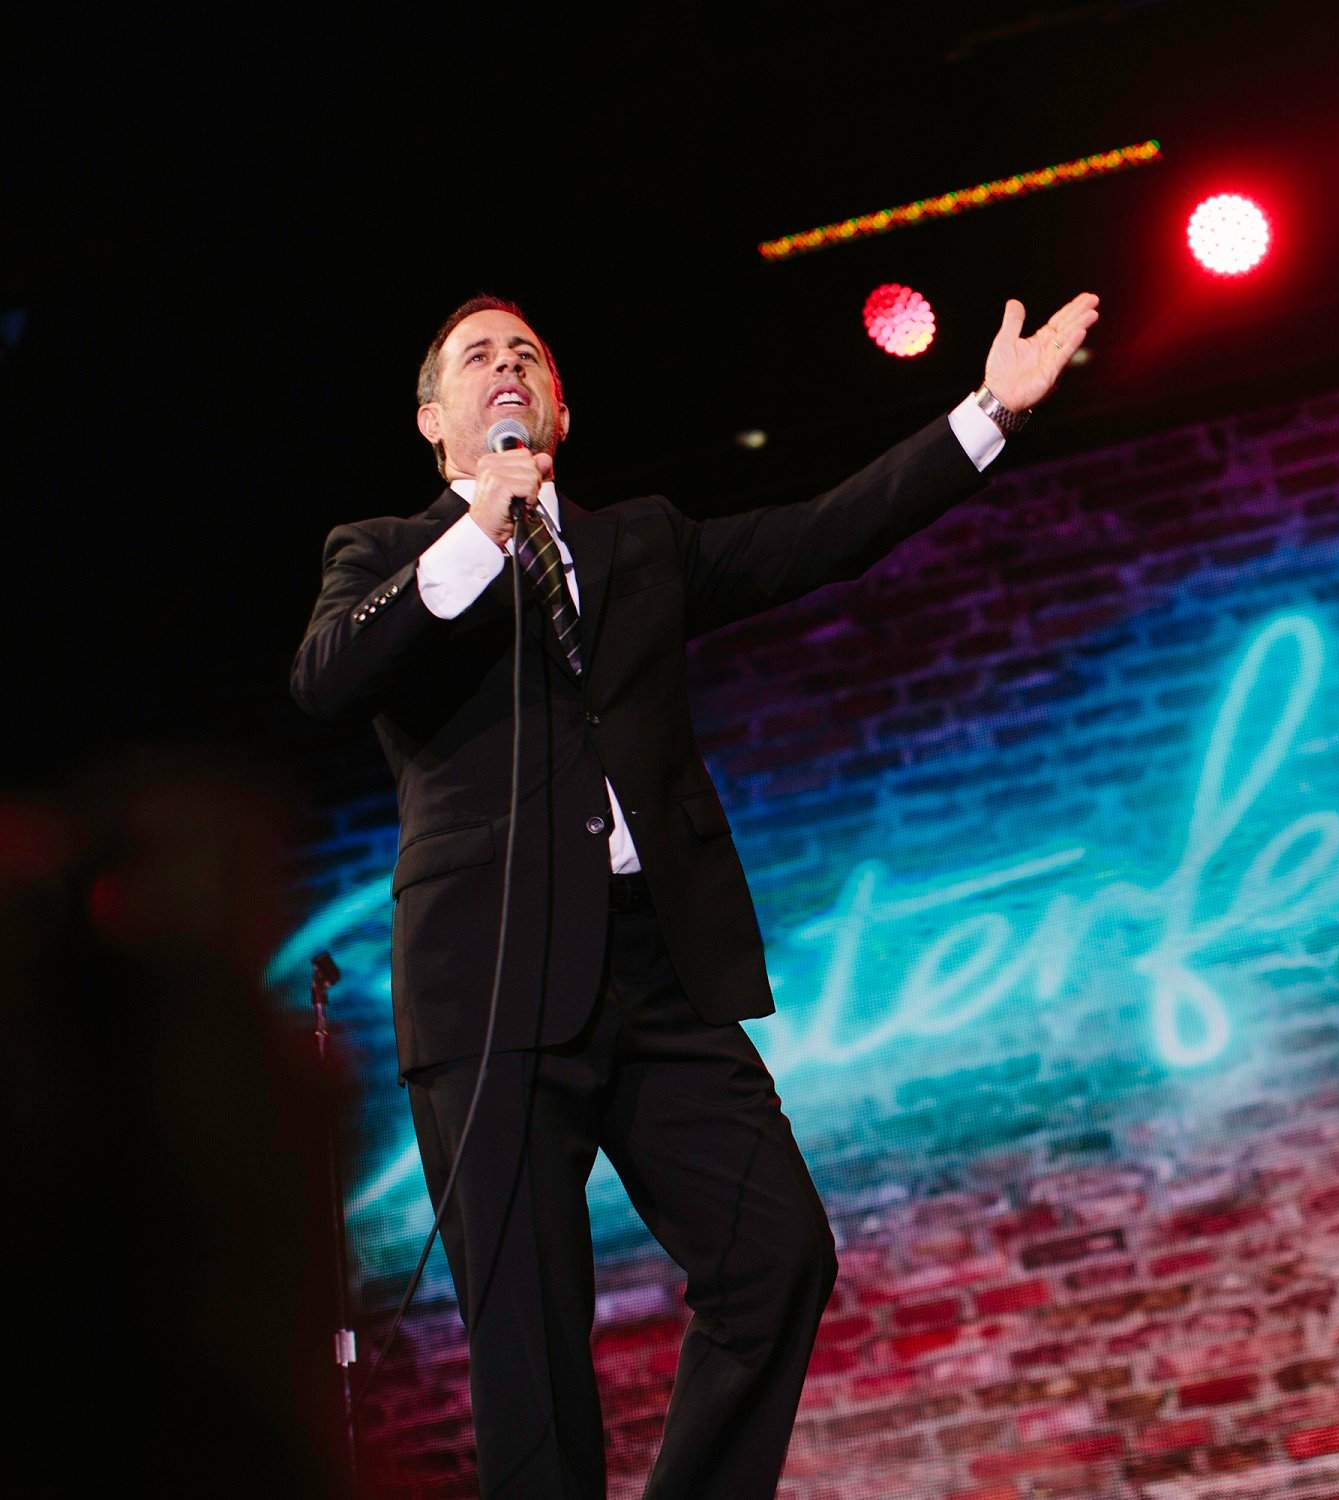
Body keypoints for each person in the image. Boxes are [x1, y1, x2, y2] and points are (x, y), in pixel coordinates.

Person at [290, 288, 1099, 1497]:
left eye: (529, 353)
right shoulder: (387, 554)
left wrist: (987, 415)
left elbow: (826, 533)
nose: (507, 367)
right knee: (532, 1348)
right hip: (489, 989)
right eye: (477, 357)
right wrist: (479, 532)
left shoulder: (641, 543)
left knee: (777, 1259)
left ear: (563, 404)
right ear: (432, 419)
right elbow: (327, 679)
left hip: (656, 969)